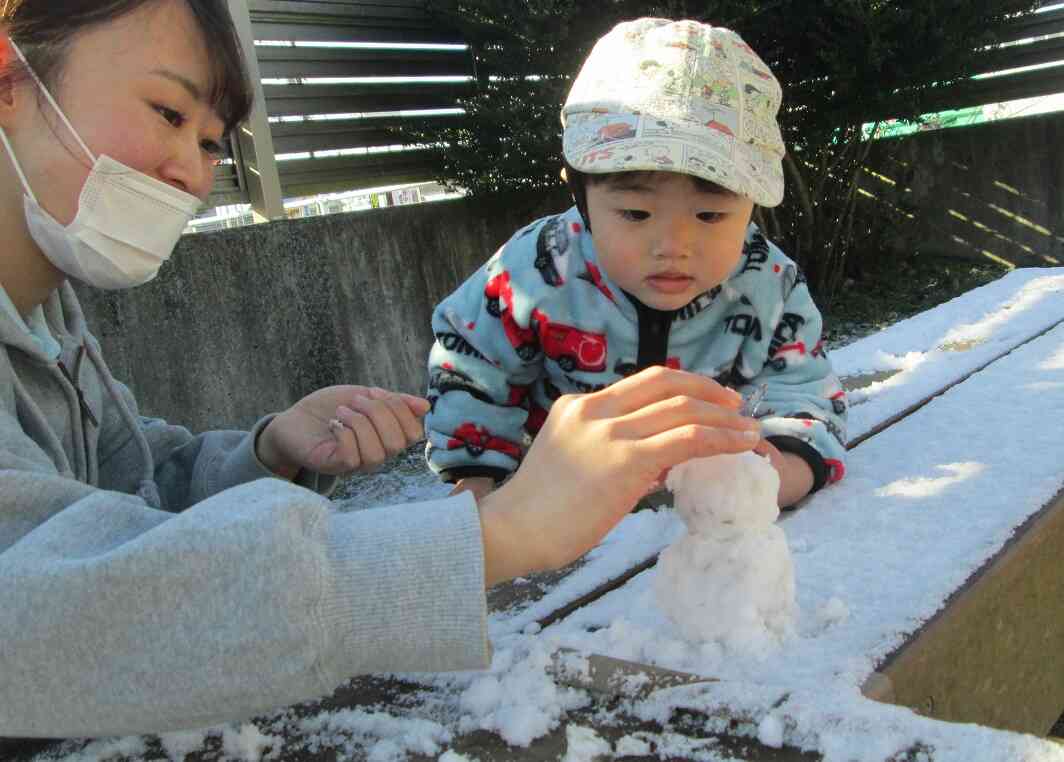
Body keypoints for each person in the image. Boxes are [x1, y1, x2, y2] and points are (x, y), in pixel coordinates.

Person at [0, 0, 763, 742]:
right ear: (9, 76)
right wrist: (497, 532)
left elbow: (115, 498)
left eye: (211, 143)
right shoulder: (531, 268)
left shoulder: (47, 315)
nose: (192, 174)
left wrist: (266, 453)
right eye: (170, 113)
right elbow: (50, 612)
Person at [425, 18, 848, 509]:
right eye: (635, 213)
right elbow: (471, 362)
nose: (673, 245)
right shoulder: (535, 271)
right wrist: (475, 480)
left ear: (751, 205)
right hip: (553, 506)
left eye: (710, 214)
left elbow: (804, 392)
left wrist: (780, 470)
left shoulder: (766, 285)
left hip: (697, 515)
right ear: (581, 195)